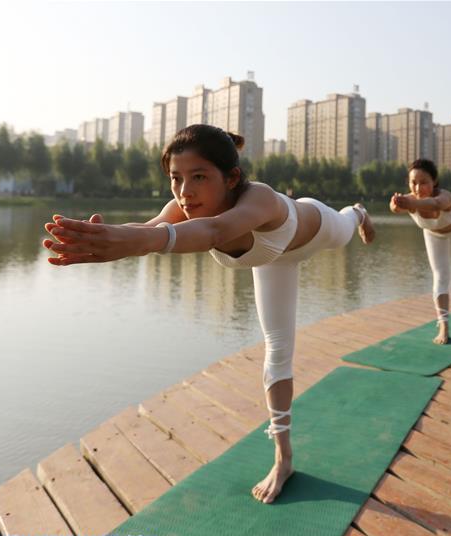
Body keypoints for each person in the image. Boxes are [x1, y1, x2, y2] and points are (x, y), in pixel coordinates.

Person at [43, 124, 375, 504]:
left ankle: (359, 212)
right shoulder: (182, 208)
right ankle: (284, 459)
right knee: (278, 349)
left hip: (315, 230)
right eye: (176, 179)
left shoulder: (260, 198)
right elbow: (149, 229)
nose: (185, 192)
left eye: (199, 177)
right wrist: (109, 237)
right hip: (273, 262)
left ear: (231, 177)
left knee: (346, 226)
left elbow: (216, 230)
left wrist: (141, 243)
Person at [389, 158, 451, 344]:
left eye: (423, 183)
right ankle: (444, 325)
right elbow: (394, 208)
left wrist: (409, 203)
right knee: (440, 276)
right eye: (413, 183)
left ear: (434, 181)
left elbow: (435, 205)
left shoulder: (445, 196)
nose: (418, 188)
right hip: (433, 233)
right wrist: (396, 204)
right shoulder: (409, 198)